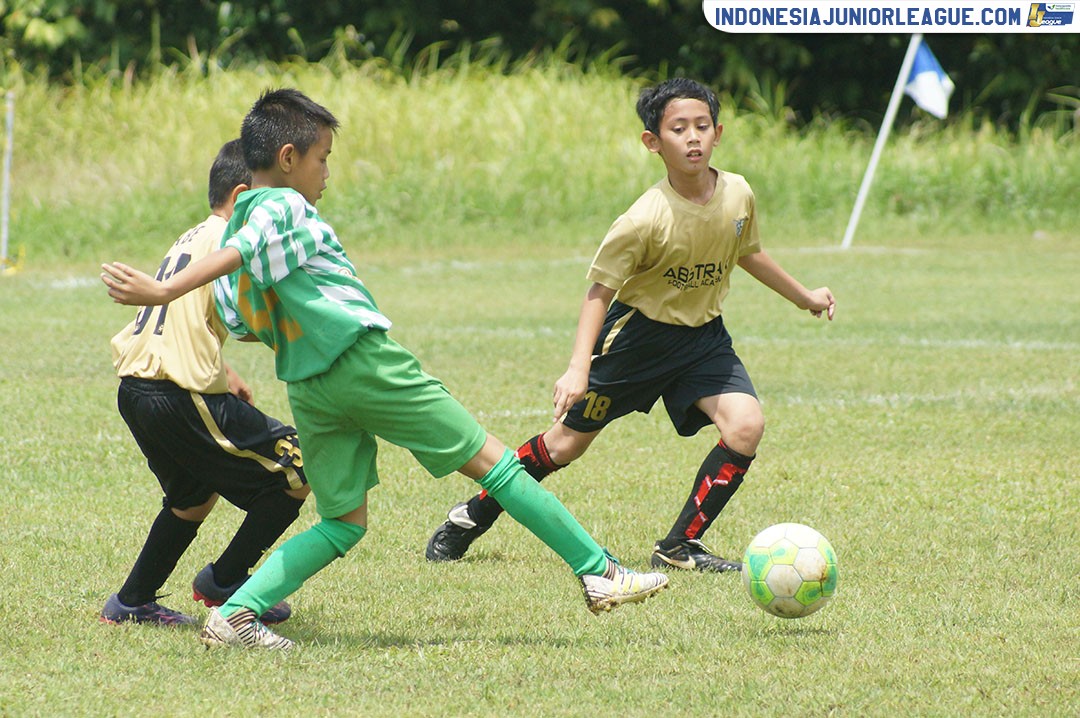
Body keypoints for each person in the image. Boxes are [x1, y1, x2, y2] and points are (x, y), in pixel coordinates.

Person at [101, 88, 669, 650]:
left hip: (308, 385)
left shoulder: (234, 232)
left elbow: (243, 322)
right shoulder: (282, 205)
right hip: (364, 362)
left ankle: (236, 614)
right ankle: (600, 571)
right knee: (497, 466)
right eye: (322, 158)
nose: (327, 173)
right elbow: (251, 245)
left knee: (343, 522)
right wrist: (166, 289)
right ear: (288, 158)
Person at [425, 77, 835, 573]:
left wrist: (803, 296)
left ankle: (680, 545)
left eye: (702, 126)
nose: (693, 137)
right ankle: (472, 515)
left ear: (718, 133)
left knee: (746, 426)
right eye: (678, 129)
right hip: (637, 340)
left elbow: (747, 252)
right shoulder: (643, 218)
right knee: (564, 445)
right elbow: (599, 293)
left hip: (703, 339)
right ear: (652, 142)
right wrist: (578, 368)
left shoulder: (737, 194)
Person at [101, 139, 310, 627]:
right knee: (298, 469)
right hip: (177, 392)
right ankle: (225, 581)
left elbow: (188, 312)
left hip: (137, 387)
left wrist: (224, 369)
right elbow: (257, 317)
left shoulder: (193, 235)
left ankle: (132, 602)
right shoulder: (231, 239)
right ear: (242, 197)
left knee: (192, 496)